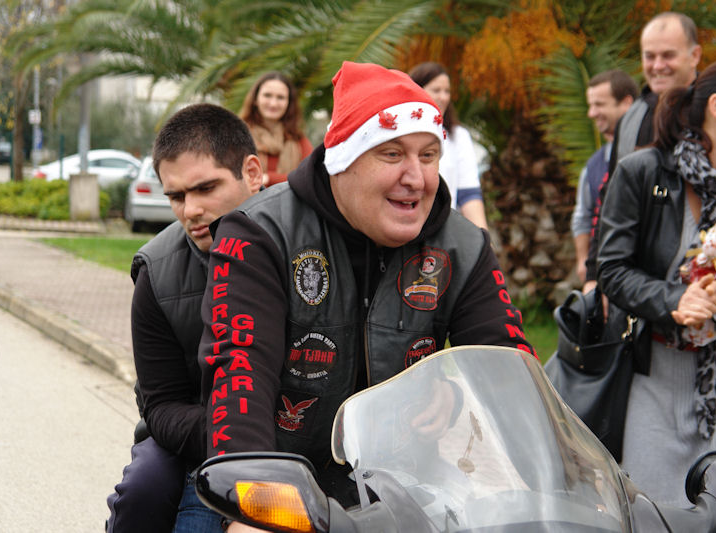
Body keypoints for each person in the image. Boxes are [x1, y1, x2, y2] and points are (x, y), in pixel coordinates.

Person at [196, 61, 535, 529]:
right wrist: (252, 507)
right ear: (343, 160)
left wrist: (556, 486)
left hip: (403, 495)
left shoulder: (465, 245)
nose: (417, 178)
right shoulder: (259, 233)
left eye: (428, 155)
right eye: (392, 154)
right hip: (283, 487)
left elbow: (511, 372)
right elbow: (240, 368)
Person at [597, 58, 716, 525]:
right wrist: (674, 299)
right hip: (653, 381)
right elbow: (612, 269)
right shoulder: (642, 172)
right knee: (654, 519)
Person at [106, 103, 263, 533]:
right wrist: (231, 436)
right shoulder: (156, 273)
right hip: (193, 438)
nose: (190, 210)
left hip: (297, 437)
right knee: (143, 489)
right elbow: (159, 404)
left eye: (205, 188)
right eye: (176, 196)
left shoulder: (307, 248)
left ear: (251, 173)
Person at [584, 11, 702, 286]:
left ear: (694, 55)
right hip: (633, 282)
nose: (658, 66)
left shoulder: (713, 111)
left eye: (668, 55)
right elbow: (610, 198)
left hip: (699, 278)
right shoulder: (631, 118)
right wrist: (594, 274)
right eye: (650, 56)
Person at [571, 70, 638, 284]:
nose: (591, 113)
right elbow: (583, 216)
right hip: (605, 275)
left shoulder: (649, 153)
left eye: (599, 104)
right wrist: (584, 263)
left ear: (626, 103)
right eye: (590, 105)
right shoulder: (593, 166)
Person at [408, 61, 489, 230]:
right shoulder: (396, 133)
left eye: (447, 91)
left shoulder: (458, 136)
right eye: (436, 90)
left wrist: (484, 239)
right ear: (416, 90)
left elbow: (469, 194)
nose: (444, 97)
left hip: (442, 231)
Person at [238, 71, 313, 186]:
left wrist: (269, 178)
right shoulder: (238, 136)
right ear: (255, 99)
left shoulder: (299, 140)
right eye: (267, 95)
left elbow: (309, 177)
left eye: (280, 97)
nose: (273, 103)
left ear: (289, 103)